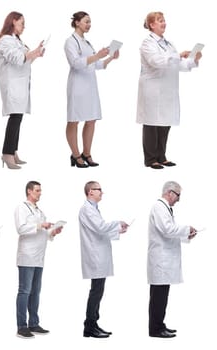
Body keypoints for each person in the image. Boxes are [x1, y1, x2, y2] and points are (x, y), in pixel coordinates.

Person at [137, 12, 202, 169]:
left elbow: (179, 65)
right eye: (160, 21)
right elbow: (157, 61)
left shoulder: (168, 44)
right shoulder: (147, 43)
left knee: (165, 123)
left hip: (167, 90)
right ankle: (151, 159)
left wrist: (193, 60)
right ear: (151, 25)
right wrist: (179, 56)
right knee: (152, 124)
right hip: (152, 89)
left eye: (164, 20)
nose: (164, 23)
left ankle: (161, 156)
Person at [64, 11, 118, 168]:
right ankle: (75, 155)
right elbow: (76, 63)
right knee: (74, 120)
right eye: (86, 21)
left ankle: (86, 153)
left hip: (90, 85)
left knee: (91, 119)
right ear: (77, 23)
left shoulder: (87, 42)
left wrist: (109, 58)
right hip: (77, 86)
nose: (89, 24)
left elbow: (96, 65)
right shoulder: (70, 42)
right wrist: (97, 56)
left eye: (90, 22)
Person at [147, 181, 197, 338]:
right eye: (178, 195)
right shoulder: (159, 207)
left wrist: (186, 235)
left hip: (164, 261)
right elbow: (167, 230)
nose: (179, 199)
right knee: (158, 297)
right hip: (161, 261)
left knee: (161, 296)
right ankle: (155, 329)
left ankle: (159, 325)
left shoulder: (165, 209)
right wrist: (186, 229)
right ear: (169, 192)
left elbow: (169, 232)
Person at [78, 181, 128, 338]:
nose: (102, 192)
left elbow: (99, 231)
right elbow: (100, 227)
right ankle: (89, 326)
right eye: (99, 189)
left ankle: (93, 324)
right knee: (96, 292)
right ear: (90, 192)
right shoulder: (87, 209)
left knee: (98, 291)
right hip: (95, 256)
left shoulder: (93, 209)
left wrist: (118, 230)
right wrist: (117, 223)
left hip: (99, 255)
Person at [0, 11, 44, 169]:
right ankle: (7, 154)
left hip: (20, 84)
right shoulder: (5, 40)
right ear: (13, 22)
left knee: (18, 117)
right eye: (22, 23)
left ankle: (13, 151)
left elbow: (25, 61)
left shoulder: (16, 40)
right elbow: (17, 59)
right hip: (12, 85)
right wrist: (32, 53)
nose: (24, 26)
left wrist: (36, 54)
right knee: (15, 118)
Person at [14, 180, 62, 339]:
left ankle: (34, 323)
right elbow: (21, 229)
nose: (40, 193)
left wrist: (52, 232)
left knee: (35, 292)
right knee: (24, 291)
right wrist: (41, 225)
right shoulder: (21, 208)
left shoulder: (39, 211)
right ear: (29, 191)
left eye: (40, 190)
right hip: (27, 257)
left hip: (39, 257)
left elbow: (43, 233)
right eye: (37, 190)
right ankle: (22, 326)